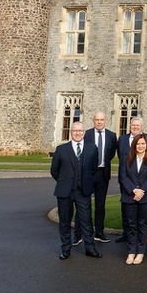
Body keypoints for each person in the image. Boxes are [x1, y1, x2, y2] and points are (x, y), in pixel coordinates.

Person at [51, 122, 101, 260]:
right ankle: (66, 249)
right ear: (71, 132)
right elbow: (54, 171)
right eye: (75, 131)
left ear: (84, 132)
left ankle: (90, 248)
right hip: (64, 191)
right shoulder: (61, 149)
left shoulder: (92, 148)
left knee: (86, 220)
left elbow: (93, 169)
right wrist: (65, 181)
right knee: (64, 221)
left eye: (80, 131)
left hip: (83, 191)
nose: (78, 133)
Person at [77, 111, 116, 245]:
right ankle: (79, 234)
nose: (99, 122)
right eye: (96, 120)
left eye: (101, 120)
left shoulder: (112, 135)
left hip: (103, 174)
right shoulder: (86, 134)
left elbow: (110, 154)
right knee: (83, 204)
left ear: (105, 121)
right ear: (93, 121)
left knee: (100, 205)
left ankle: (99, 232)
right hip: (88, 173)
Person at [119, 133, 147, 265]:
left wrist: (141, 191)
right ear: (134, 145)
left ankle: (140, 252)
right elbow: (123, 177)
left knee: (143, 225)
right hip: (129, 196)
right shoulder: (126, 158)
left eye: (143, 144)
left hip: (146, 197)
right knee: (131, 225)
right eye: (138, 144)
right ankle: (131, 251)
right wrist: (134, 190)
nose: (140, 146)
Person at [115, 117, 147, 244]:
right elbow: (121, 157)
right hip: (126, 180)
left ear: (142, 127)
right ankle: (126, 234)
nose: (135, 127)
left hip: (142, 182)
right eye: (133, 125)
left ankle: (142, 236)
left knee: (142, 213)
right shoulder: (122, 139)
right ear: (130, 126)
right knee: (126, 209)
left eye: (138, 125)